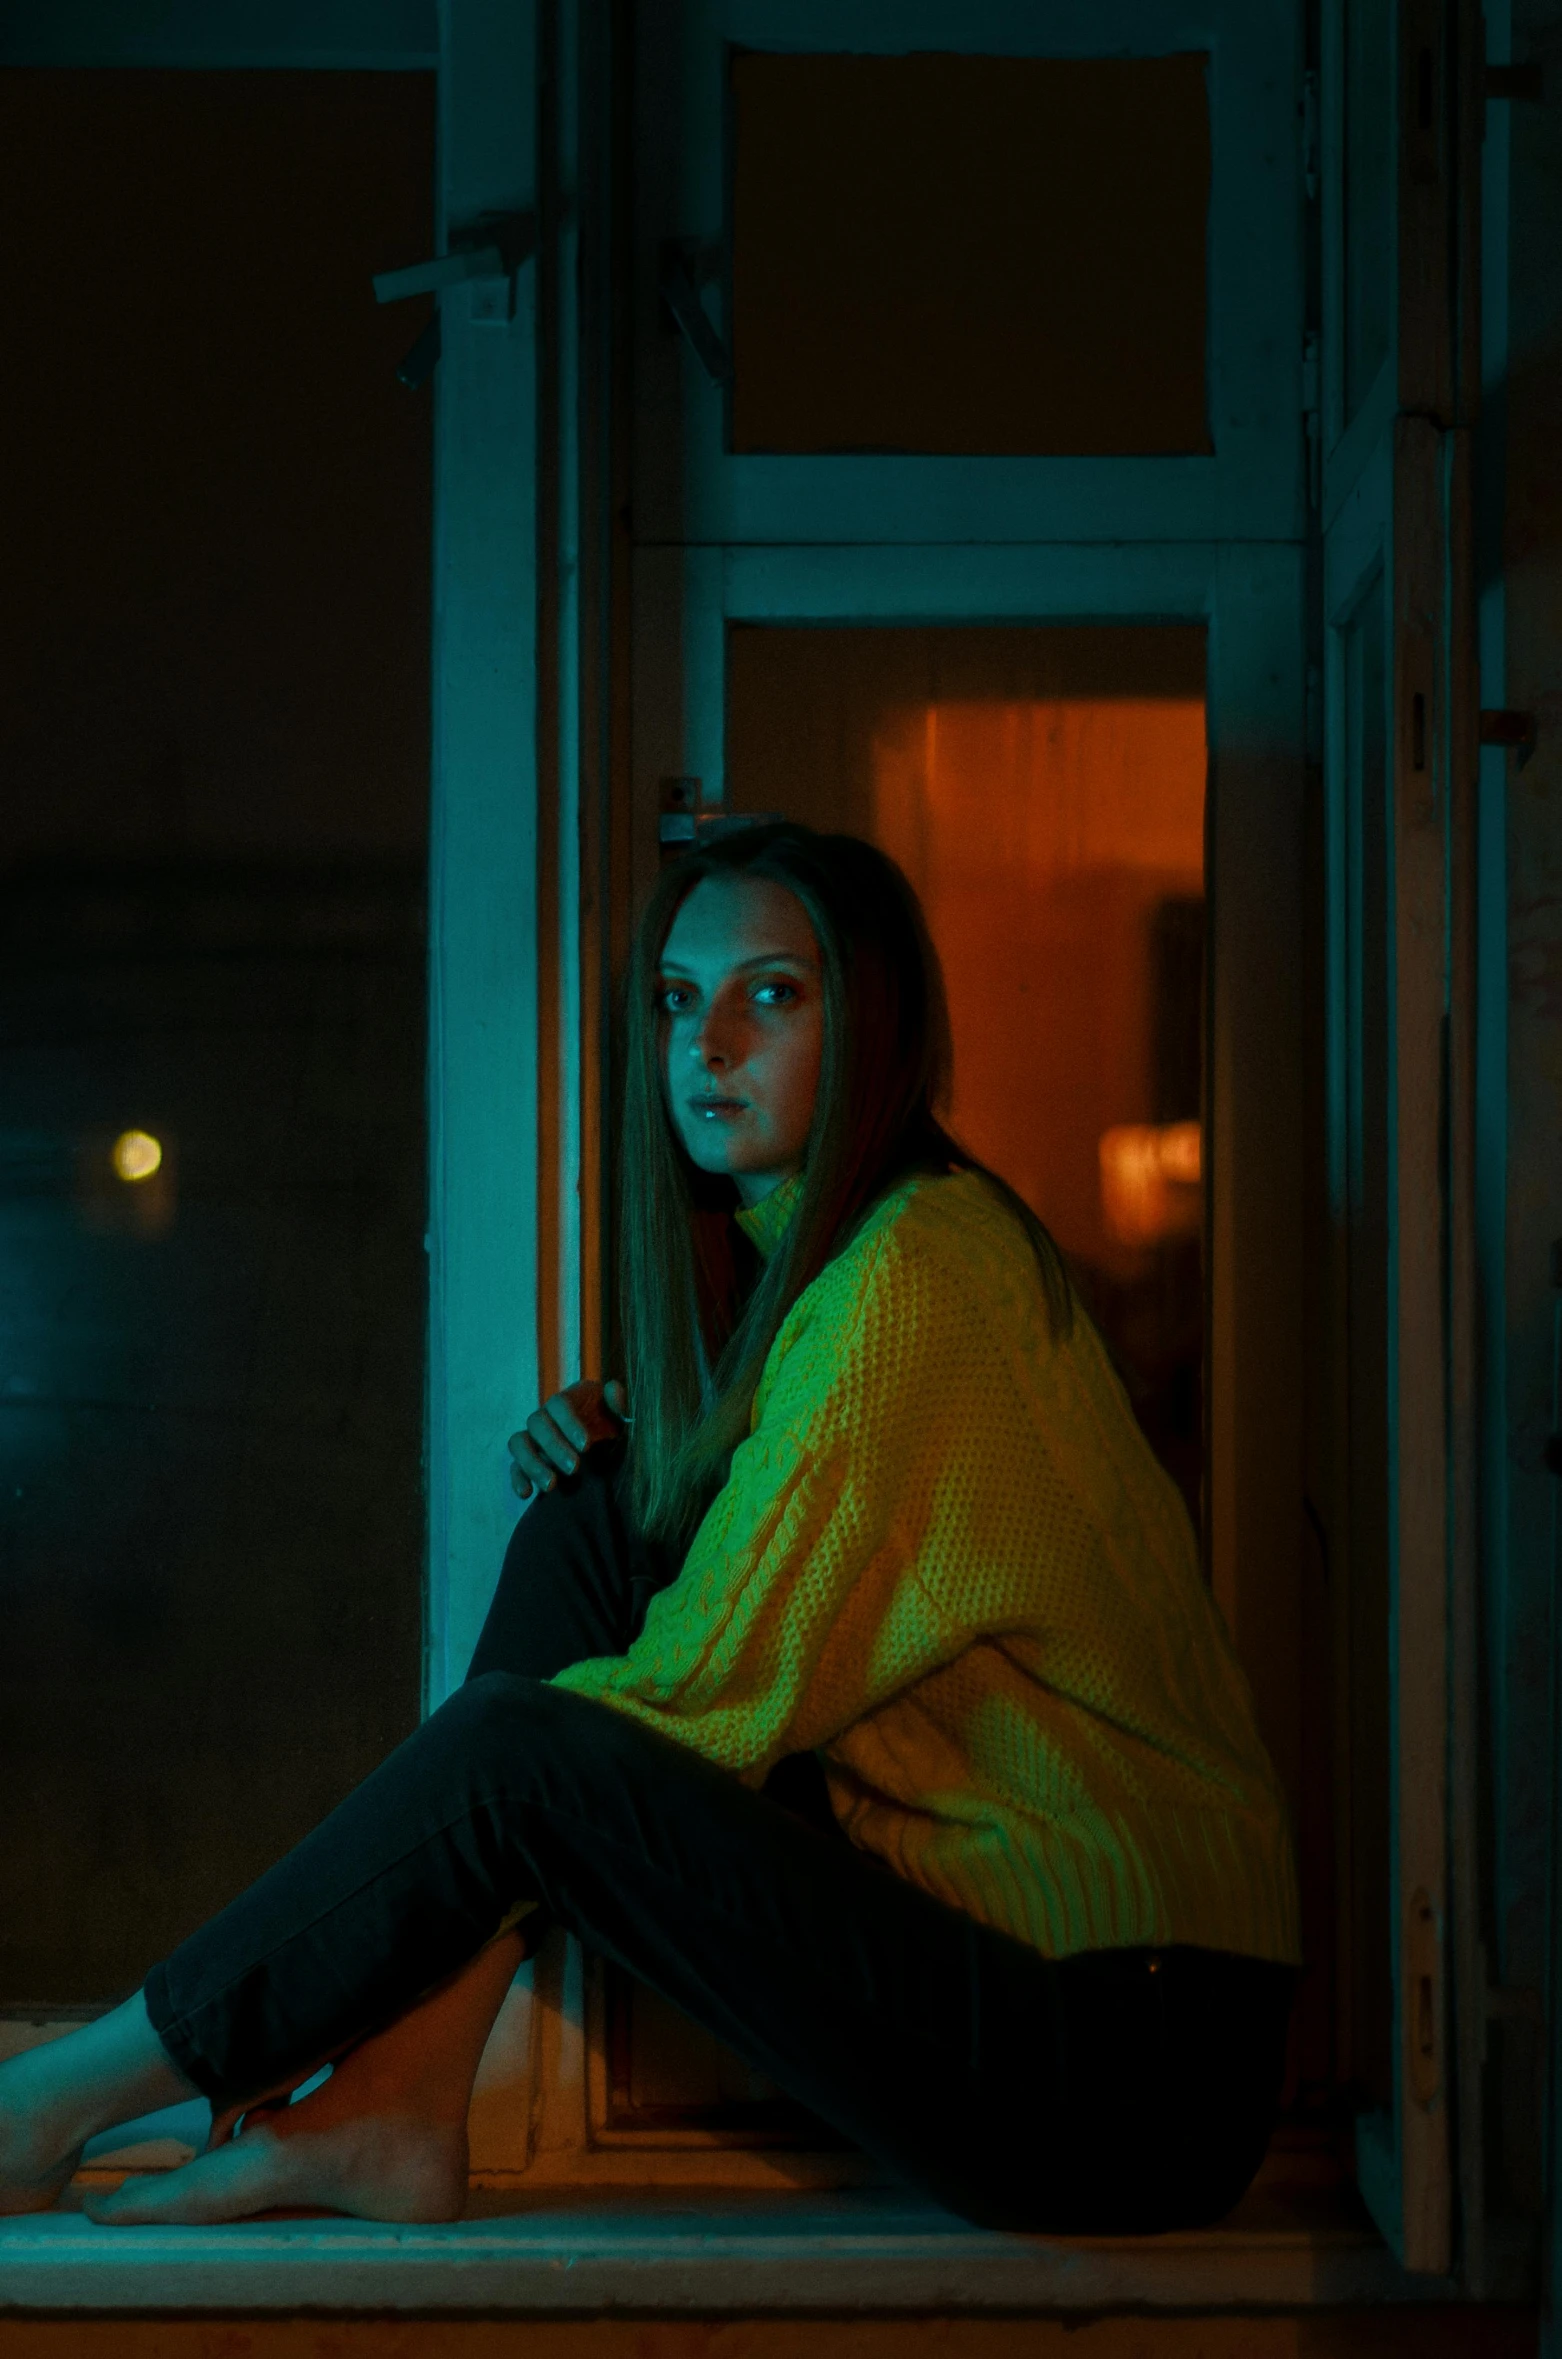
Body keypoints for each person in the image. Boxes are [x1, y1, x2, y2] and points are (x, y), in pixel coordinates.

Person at [0, 824, 1299, 2234]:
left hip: (1125, 2062)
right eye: (679, 999)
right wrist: (652, 1480)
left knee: (518, 1752)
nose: (711, 1042)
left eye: (773, 994)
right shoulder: (864, 1269)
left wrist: (522, 1764)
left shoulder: (914, 1276)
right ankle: (394, 2103)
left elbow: (694, 1707)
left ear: (873, 1018)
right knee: (597, 1530)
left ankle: (50, 2100)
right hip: (1080, 2007)